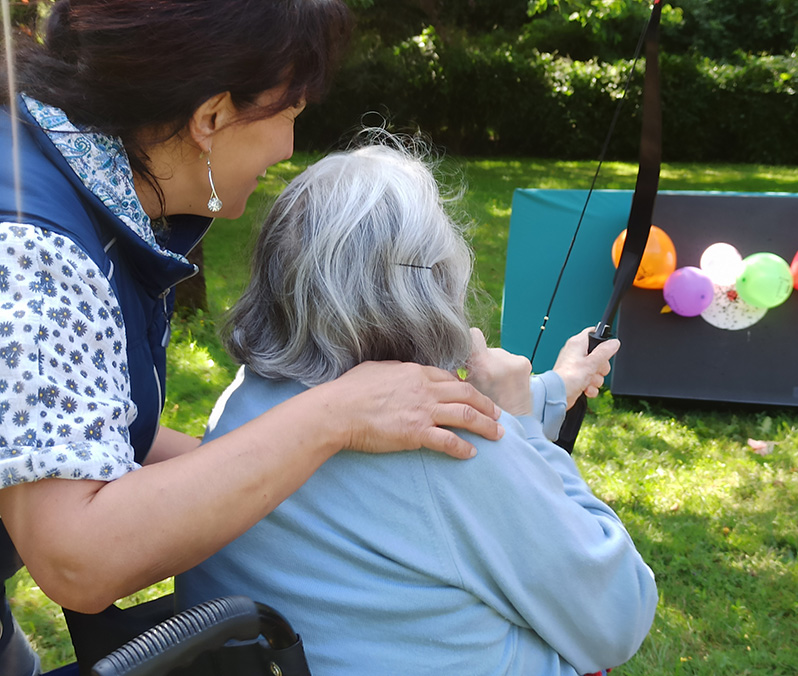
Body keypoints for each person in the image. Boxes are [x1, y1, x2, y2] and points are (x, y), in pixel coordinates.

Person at [0, 2, 614, 673]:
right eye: (289, 113)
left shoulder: (76, 189)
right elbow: (77, 557)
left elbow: (96, 439)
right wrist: (335, 415)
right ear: (211, 117)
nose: (291, 147)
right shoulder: (34, 248)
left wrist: (289, 475)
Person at [175, 138, 658, 676]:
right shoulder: (442, 443)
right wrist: (520, 420)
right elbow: (619, 616)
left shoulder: (247, 405)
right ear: (425, 287)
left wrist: (557, 387)